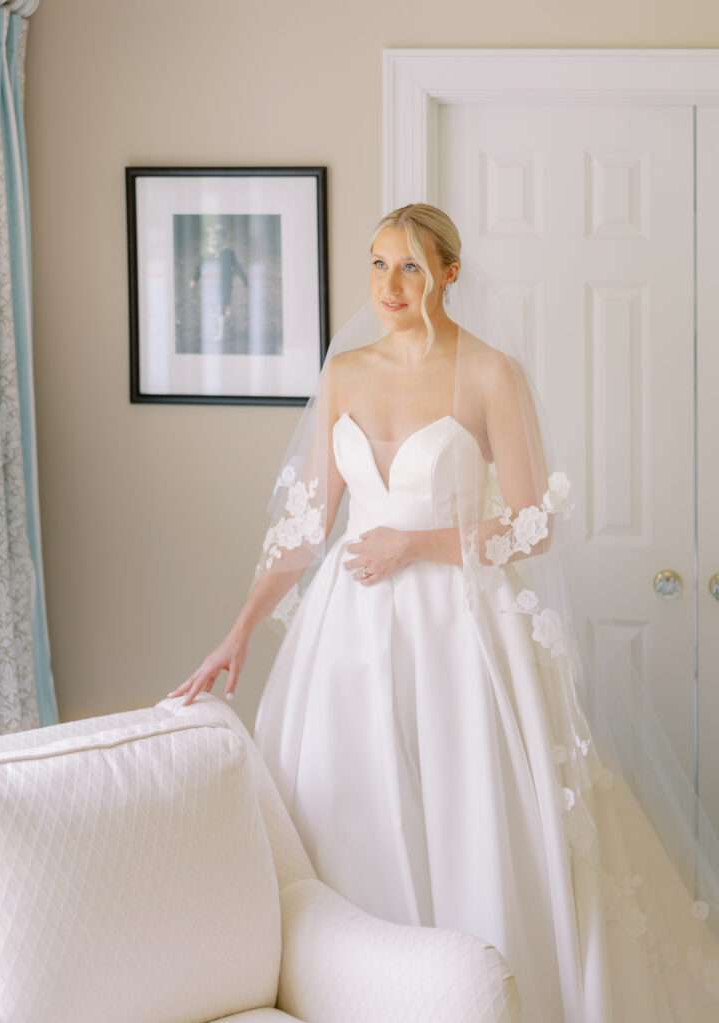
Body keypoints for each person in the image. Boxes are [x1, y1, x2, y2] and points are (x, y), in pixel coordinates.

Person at [166, 204, 719, 1021]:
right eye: (379, 264)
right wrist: (238, 630)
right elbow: (305, 528)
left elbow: (534, 523)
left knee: (475, 818)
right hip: (347, 640)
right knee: (341, 815)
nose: (391, 285)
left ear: (451, 273)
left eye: (412, 267)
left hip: (463, 634)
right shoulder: (344, 373)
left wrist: (414, 545)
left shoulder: (491, 372)